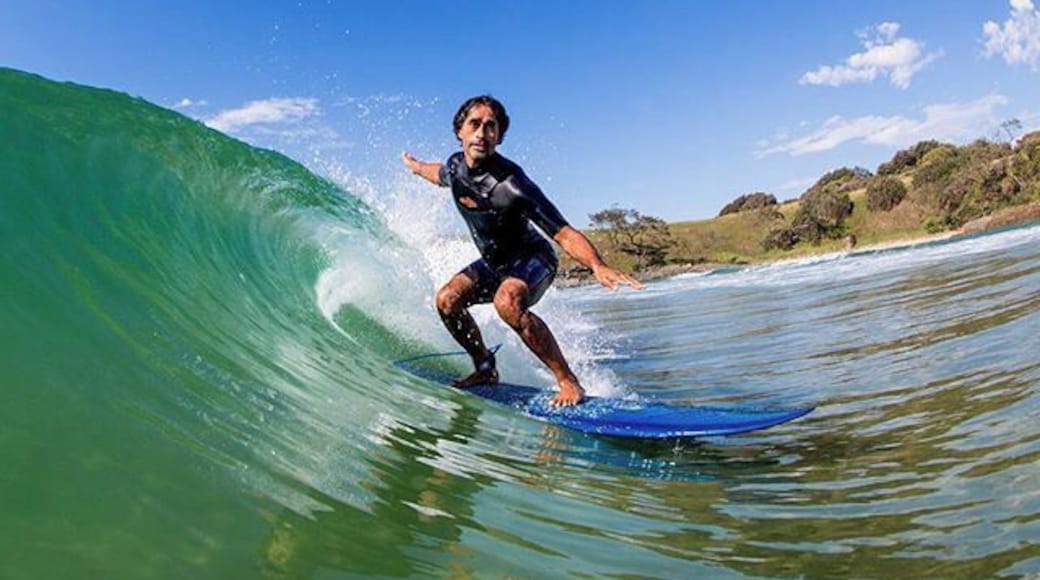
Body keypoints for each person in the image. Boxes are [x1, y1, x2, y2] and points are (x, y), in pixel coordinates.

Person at [402, 95, 642, 407]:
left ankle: (569, 382)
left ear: (499, 137)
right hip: (495, 262)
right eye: (475, 124)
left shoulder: (512, 186)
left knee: (508, 301)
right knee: (447, 300)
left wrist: (597, 265)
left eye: (491, 127)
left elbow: (563, 232)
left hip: (534, 260)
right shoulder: (456, 167)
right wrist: (416, 167)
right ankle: (485, 367)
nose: (482, 133)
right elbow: (439, 175)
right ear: (459, 130)